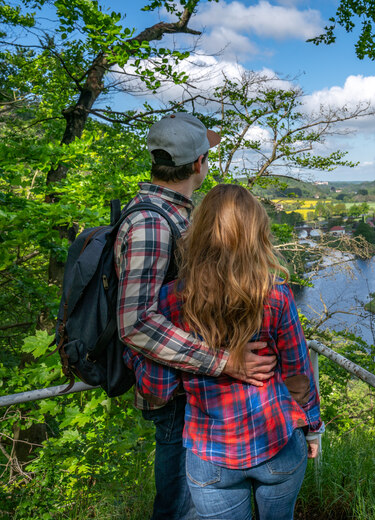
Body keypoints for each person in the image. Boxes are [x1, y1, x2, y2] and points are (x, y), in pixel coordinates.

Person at [116, 113, 277, 519]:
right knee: (180, 505)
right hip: (173, 392)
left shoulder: (171, 214)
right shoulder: (152, 223)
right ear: (198, 164)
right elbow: (135, 324)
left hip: (189, 385)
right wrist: (226, 361)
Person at [134, 184, 323, 520]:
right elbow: (298, 375)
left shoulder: (170, 300)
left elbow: (157, 388)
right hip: (276, 445)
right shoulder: (275, 296)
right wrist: (312, 427)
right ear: (256, 234)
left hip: (210, 455)